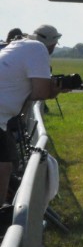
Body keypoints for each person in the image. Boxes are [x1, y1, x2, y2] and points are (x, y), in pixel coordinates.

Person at [0, 25, 66, 203]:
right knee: (4, 168)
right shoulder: (38, 49)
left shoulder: (18, 45)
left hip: (2, 120)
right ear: (51, 43)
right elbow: (40, 93)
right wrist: (54, 90)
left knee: (5, 165)